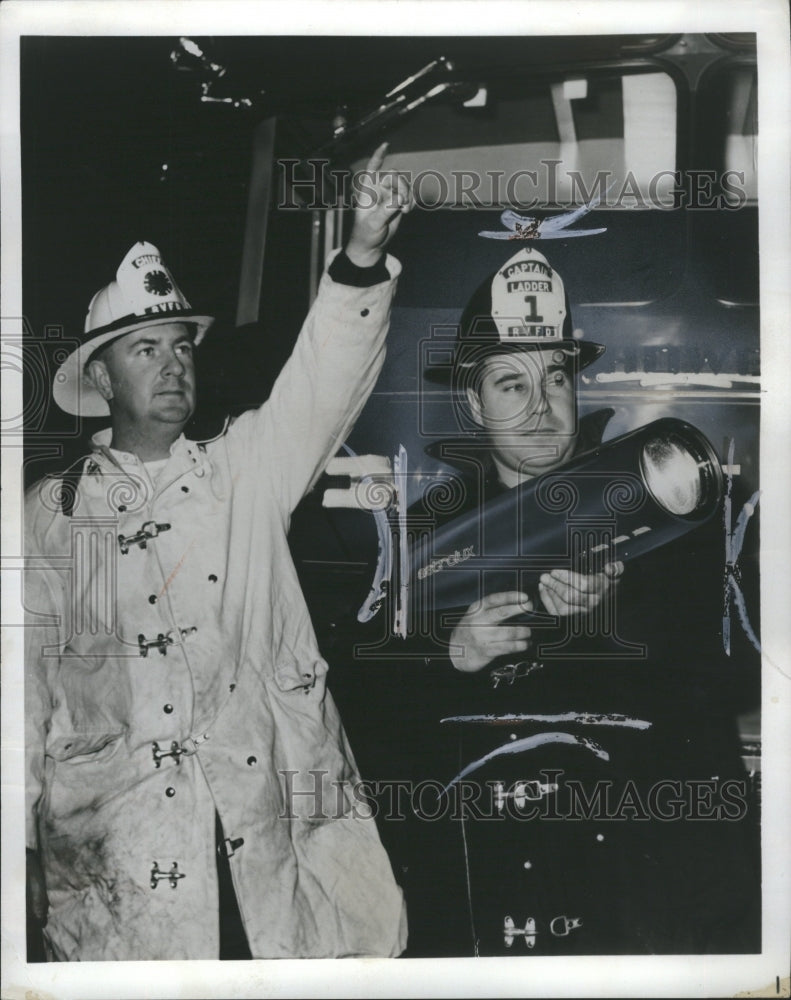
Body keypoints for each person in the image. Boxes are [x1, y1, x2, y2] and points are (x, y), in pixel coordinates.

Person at [24, 145, 414, 961]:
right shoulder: (53, 514)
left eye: (182, 347)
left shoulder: (244, 469)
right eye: (146, 350)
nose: (173, 366)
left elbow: (323, 382)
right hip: (124, 856)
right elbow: (20, 693)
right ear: (99, 378)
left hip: (265, 833)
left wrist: (363, 251)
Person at [331, 246, 760, 957]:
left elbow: (747, 669)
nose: (540, 407)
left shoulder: (679, 502)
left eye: (555, 377)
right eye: (509, 384)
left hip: (646, 899)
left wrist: (620, 615)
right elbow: (355, 709)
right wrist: (448, 656)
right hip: (487, 887)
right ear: (472, 400)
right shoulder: (421, 540)